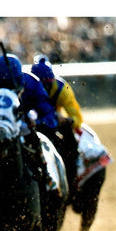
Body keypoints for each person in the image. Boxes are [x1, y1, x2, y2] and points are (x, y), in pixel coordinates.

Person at [0, 53, 59, 187]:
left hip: (22, 127)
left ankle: (46, 175)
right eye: (1, 85)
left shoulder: (33, 83)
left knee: (36, 141)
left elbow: (49, 115)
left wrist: (37, 123)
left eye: (9, 85)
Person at [31, 54, 82, 195]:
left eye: (47, 85)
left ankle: (73, 167)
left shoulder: (61, 89)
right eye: (41, 86)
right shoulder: (27, 88)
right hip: (34, 124)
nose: (44, 90)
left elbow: (77, 117)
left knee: (67, 132)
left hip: (55, 126)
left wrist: (67, 120)